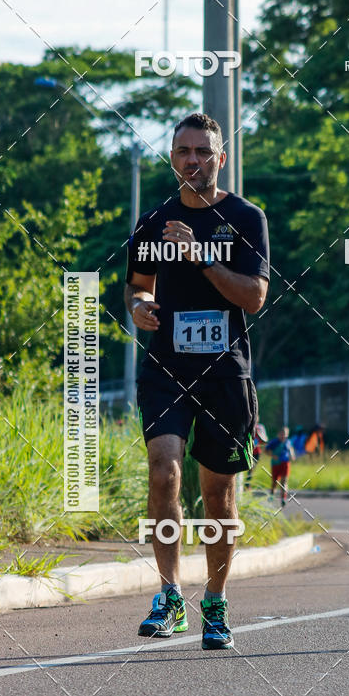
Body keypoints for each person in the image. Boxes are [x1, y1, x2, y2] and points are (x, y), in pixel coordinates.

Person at [125, 112, 270, 648]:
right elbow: (138, 287)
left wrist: (201, 255)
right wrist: (140, 306)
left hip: (225, 376)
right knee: (163, 473)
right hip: (166, 368)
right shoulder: (151, 222)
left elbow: (254, 297)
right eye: (183, 151)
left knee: (219, 496)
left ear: (220, 158)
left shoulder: (245, 218)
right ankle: (168, 595)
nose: (193, 161)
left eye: (202, 152)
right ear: (172, 158)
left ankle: (214, 601)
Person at [265, 426, 296, 506]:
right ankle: (271, 496)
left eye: (285, 434)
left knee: (284, 481)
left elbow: (291, 449)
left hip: (285, 463)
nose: (283, 436)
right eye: (281, 434)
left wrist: (292, 455)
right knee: (274, 482)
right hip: (275, 464)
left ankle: (283, 498)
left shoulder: (288, 442)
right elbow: (266, 451)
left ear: (287, 435)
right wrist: (272, 455)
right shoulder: (274, 442)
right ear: (278, 434)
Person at [245, 421, 268, 490]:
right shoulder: (248, 425)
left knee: (252, 469)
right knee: (248, 468)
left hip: (256, 452)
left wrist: (259, 433)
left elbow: (265, 441)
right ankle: (246, 485)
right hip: (248, 452)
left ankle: (247, 485)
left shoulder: (260, 427)